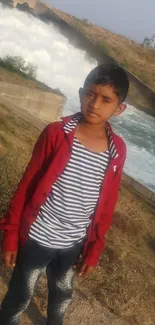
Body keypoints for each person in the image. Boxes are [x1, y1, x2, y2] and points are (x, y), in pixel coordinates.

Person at [0, 63, 129, 325]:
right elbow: (27, 184)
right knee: (20, 296)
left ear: (119, 108)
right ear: (81, 93)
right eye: (90, 94)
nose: (95, 104)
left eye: (106, 99)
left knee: (62, 295)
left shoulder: (117, 151)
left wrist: (94, 249)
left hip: (74, 244)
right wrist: (11, 234)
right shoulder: (56, 134)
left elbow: (107, 204)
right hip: (37, 237)